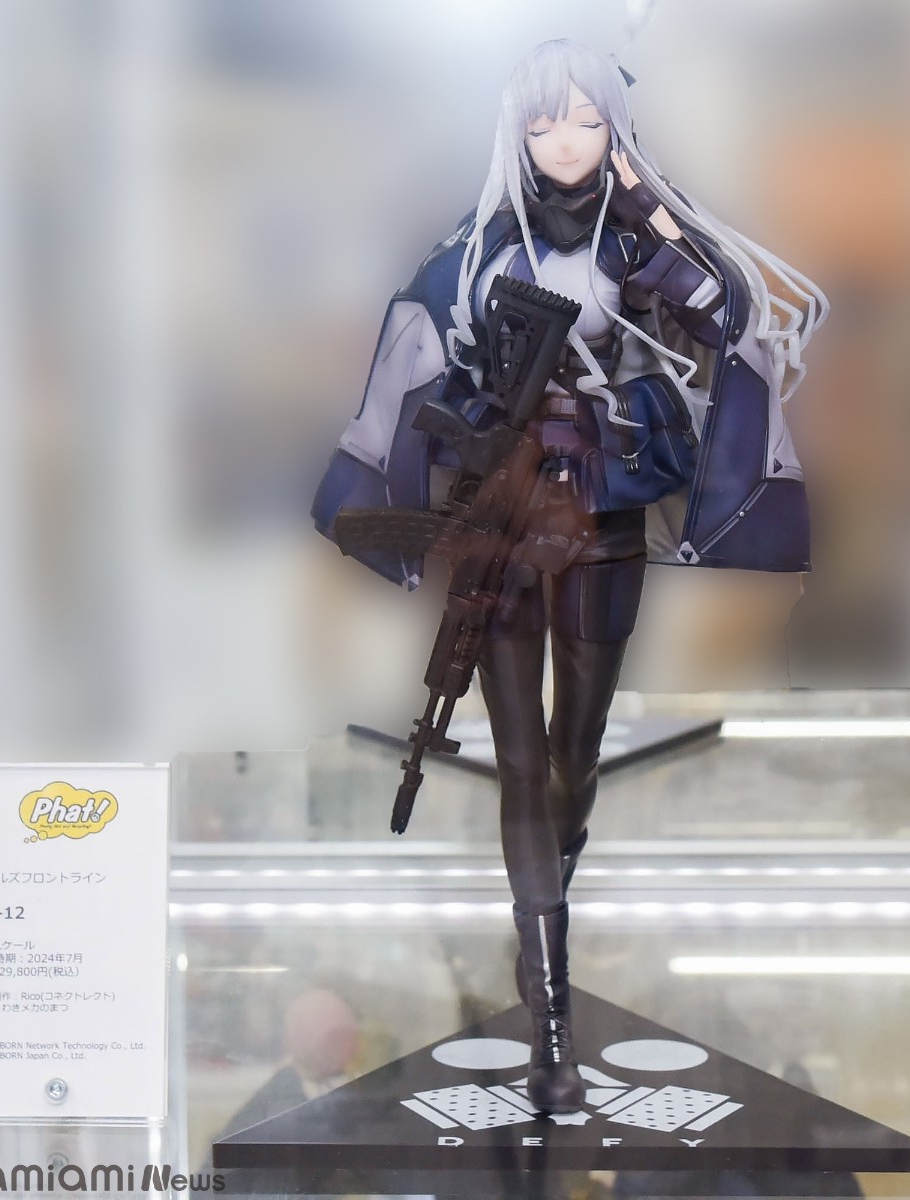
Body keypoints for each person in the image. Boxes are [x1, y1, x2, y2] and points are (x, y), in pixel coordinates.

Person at [313, 39, 827, 1113]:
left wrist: (650, 216)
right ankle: (548, 1009)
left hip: (602, 516)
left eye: (586, 120)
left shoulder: (641, 238)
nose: (563, 142)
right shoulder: (477, 248)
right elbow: (412, 356)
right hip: (500, 524)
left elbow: (733, 319)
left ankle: (543, 910)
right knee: (518, 761)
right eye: (544, 122)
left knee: (573, 753)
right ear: (517, 128)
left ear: (616, 131)